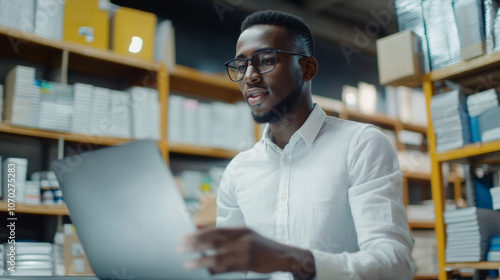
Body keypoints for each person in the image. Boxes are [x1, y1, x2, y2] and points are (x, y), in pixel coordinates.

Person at [179, 10, 415, 280]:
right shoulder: (238, 171)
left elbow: (396, 265)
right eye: (241, 66)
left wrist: (295, 259)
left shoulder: (360, 145)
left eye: (266, 60)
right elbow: (230, 273)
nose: (249, 76)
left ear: (307, 68)